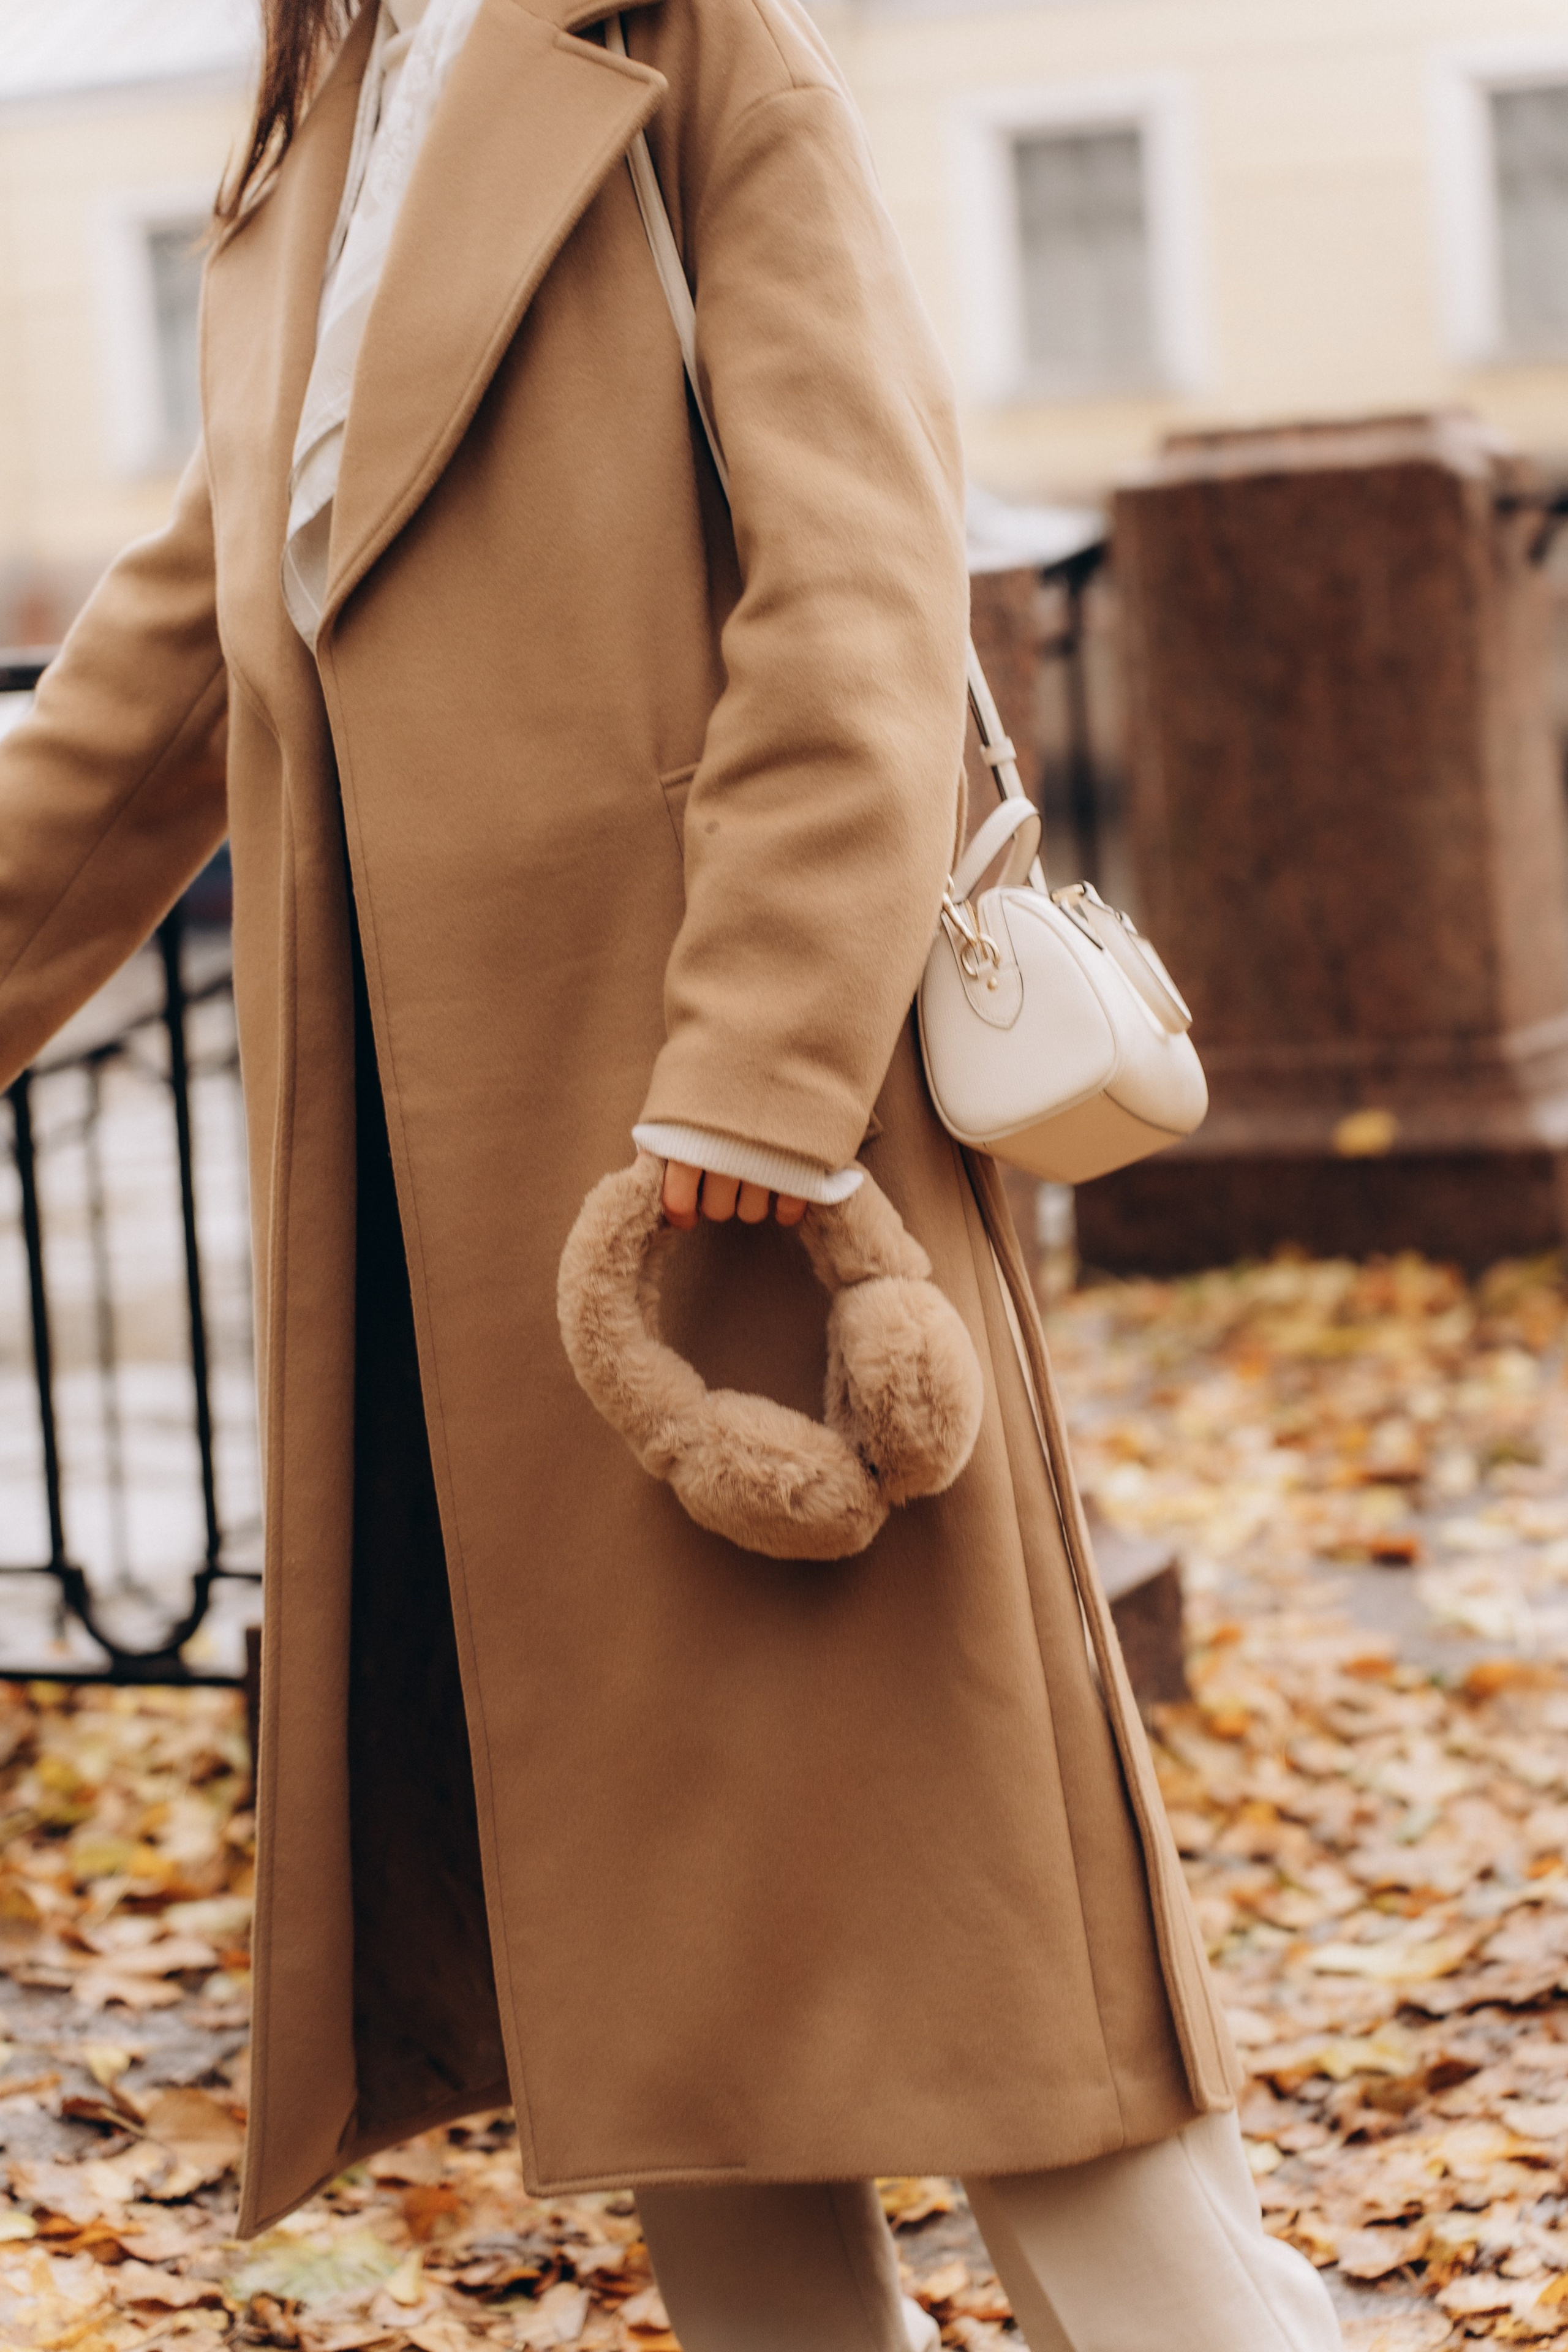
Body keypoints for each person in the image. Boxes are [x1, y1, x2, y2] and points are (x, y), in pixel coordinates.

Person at [0, 0, 1341, 2342]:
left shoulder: (693, 45)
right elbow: (177, 657)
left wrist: (757, 1064)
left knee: (997, 1968)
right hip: (478, 1200)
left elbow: (860, 573)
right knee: (685, 2014)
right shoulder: (318, 125)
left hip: (741, 1169)